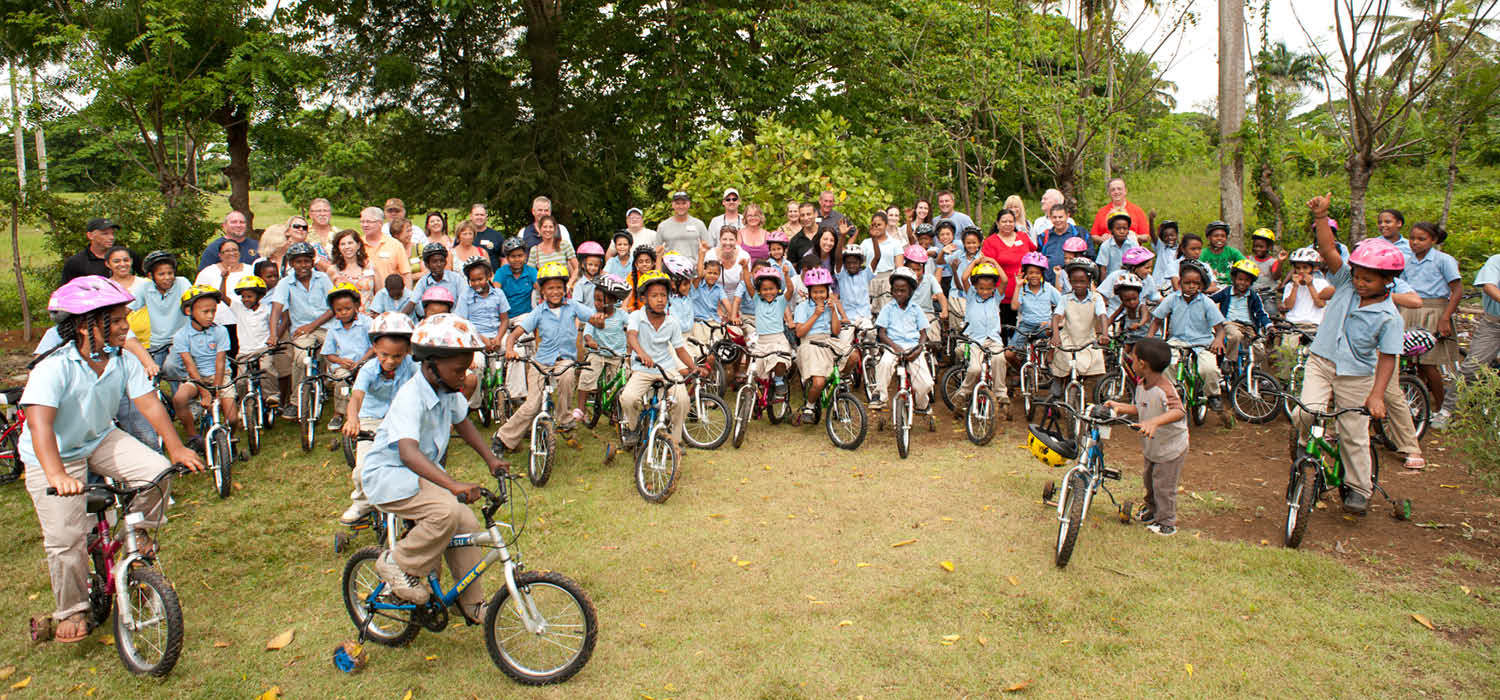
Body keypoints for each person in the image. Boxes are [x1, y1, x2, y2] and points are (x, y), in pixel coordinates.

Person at [21, 276, 203, 643]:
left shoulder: (121, 357)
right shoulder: (54, 366)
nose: (126, 326)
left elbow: (148, 402)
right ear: (89, 326)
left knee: (156, 472)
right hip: (52, 453)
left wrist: (176, 448)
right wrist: (56, 474)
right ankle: (72, 609)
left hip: (100, 438)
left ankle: (134, 536)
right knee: (65, 539)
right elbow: (39, 424)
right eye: (118, 320)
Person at [363, 313, 509, 621]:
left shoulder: (447, 390)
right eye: (458, 370)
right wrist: (452, 485)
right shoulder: (410, 395)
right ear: (431, 365)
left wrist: (491, 458)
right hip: (390, 476)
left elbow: (464, 423)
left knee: (466, 521)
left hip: (419, 475)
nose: (464, 376)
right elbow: (407, 453)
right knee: (444, 510)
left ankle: (471, 604)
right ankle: (398, 562)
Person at [1292, 193, 1405, 514]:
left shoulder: (1389, 317)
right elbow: (1327, 250)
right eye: (1357, 275)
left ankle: (1358, 488)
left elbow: (1387, 358)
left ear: (1388, 281)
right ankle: (1304, 447)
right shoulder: (1344, 282)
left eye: (1368, 279)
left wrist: (1378, 396)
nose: (1359, 282)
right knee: (1306, 412)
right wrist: (1321, 217)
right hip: (1322, 362)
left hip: (1357, 376)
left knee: (1353, 433)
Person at [1104, 337, 1188, 536]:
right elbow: (1142, 408)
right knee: (1150, 481)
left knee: (1164, 486)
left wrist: (1154, 422)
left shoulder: (1164, 389)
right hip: (1154, 447)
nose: (1130, 362)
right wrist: (1121, 407)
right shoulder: (1143, 384)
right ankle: (1152, 511)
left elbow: (1179, 411)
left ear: (1142, 364)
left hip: (1171, 448)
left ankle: (1167, 523)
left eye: (1132, 359)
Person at [339, 312, 416, 525]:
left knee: (409, 465)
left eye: (397, 356)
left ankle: (409, 503)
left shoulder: (412, 366)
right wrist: (353, 419)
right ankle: (362, 502)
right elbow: (356, 397)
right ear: (374, 348)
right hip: (371, 420)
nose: (390, 361)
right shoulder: (369, 369)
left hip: (401, 419)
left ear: (407, 351)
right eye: (384, 355)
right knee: (363, 469)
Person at [621, 271, 703, 446]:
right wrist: (642, 354)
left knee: (682, 400)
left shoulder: (672, 322)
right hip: (642, 369)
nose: (660, 300)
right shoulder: (636, 316)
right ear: (644, 298)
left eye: (663, 295)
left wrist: (693, 366)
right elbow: (632, 336)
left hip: (667, 369)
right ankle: (632, 428)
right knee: (628, 398)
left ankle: (675, 440)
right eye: (654, 296)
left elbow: (680, 349)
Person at [1400, 221, 1463, 430]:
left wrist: (1445, 318)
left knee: (1429, 362)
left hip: (1435, 310)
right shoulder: (1407, 261)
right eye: (1412, 238)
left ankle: (1442, 409)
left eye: (1421, 239)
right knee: (1412, 362)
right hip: (1410, 309)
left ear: (1433, 240)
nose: (1415, 243)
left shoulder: (1443, 260)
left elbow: (1457, 290)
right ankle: (1419, 403)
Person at [267, 242, 336, 419]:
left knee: (334, 360)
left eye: (306, 261)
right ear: (291, 263)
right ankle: (295, 401)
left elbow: (332, 308)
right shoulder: (285, 283)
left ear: (312, 262)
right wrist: (273, 334)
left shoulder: (322, 279)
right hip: (302, 331)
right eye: (298, 262)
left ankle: (338, 398)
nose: (303, 265)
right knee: (300, 358)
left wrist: (312, 326)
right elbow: (276, 309)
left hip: (326, 327)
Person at [1150, 259, 1227, 412]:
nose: (1191, 286)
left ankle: (1213, 396)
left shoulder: (1207, 302)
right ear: (1180, 283)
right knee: (1167, 365)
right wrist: (1151, 337)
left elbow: (1220, 328)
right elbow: (1157, 319)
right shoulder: (1172, 299)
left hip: (1202, 343)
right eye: (1187, 283)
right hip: (1177, 342)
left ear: (1201, 285)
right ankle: (1171, 393)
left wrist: (1218, 340)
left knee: (1208, 368)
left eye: (1196, 283)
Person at [169, 284, 239, 450]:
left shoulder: (220, 331)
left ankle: (230, 440)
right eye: (205, 312)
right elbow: (189, 365)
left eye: (213, 311)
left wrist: (216, 388)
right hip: (195, 377)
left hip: (220, 375)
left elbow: (220, 361)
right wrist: (204, 392)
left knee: (233, 417)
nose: (210, 316)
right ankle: (193, 437)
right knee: (179, 398)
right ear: (188, 312)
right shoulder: (181, 336)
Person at [871, 267, 934, 414]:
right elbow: (882, 333)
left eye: (903, 290)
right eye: (896, 290)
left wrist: (919, 349)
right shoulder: (888, 308)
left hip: (913, 347)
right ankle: (880, 395)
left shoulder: (916, 309)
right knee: (884, 364)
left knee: (926, 383)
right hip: (892, 347)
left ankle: (922, 404)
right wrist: (895, 347)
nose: (899, 293)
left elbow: (923, 333)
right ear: (891, 290)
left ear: (911, 291)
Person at [793, 267, 847, 421]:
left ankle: (837, 384)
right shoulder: (802, 307)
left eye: (822, 292)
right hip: (810, 342)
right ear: (809, 292)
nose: (819, 295)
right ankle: (809, 406)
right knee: (819, 381)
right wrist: (816, 314)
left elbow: (836, 331)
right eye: (815, 292)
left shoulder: (830, 305)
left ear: (827, 291)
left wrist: (834, 311)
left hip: (828, 340)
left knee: (854, 356)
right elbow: (799, 333)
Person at [954, 262, 1009, 413]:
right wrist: (975, 262)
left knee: (1000, 359)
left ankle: (1000, 393)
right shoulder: (971, 295)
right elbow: (965, 277)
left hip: (993, 339)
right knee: (974, 369)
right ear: (975, 287)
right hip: (975, 340)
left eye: (989, 288)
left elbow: (1004, 280)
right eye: (981, 288)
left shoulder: (996, 297)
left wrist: (994, 262)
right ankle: (963, 393)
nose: (985, 292)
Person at [1049, 260, 1108, 396]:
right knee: (1062, 361)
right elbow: (1056, 316)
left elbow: (1102, 316)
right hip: (1069, 338)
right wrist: (1056, 335)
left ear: (1089, 281)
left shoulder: (1096, 298)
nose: (1078, 285)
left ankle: (1100, 394)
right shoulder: (1065, 298)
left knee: (1096, 363)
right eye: (1074, 281)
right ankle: (1058, 380)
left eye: (1082, 281)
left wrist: (1104, 334)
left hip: (1088, 339)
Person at [322, 284, 374, 431]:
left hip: (365, 362)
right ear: (334, 311)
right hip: (343, 366)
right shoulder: (334, 328)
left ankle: (367, 413)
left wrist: (361, 361)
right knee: (342, 381)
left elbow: (375, 346)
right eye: (339, 310)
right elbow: (328, 353)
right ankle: (339, 413)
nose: (344, 312)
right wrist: (341, 361)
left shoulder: (366, 323)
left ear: (356, 306)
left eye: (348, 308)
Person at [577, 275, 631, 415]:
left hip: (617, 355)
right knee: (586, 378)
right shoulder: (594, 315)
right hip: (598, 353)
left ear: (613, 300)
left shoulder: (621, 315)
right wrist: (590, 341)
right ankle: (581, 410)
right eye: (595, 299)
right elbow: (588, 332)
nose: (596, 303)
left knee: (623, 382)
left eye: (600, 300)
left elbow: (633, 326)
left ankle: (617, 412)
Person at [131, 250, 192, 370]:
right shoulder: (144, 287)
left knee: (172, 368)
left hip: (181, 339)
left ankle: (182, 387)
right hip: (157, 342)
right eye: (161, 274)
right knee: (153, 373)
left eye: (170, 273)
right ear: (150, 276)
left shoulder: (182, 282)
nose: (167, 278)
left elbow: (191, 303)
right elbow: (126, 308)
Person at [193, 237, 253, 357]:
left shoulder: (250, 270)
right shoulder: (208, 272)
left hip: (245, 323)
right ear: (220, 255)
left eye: (235, 250)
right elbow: (197, 296)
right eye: (227, 251)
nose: (232, 253)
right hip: (219, 323)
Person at [977, 210, 1034, 336]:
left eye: (1010, 221)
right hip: (1002, 295)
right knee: (1003, 330)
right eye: (1004, 221)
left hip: (1025, 292)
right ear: (997, 223)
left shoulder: (1023, 237)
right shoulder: (990, 242)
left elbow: (1034, 257)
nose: (1007, 224)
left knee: (1024, 331)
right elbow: (986, 268)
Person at [742, 265, 795, 400]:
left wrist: (787, 275)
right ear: (759, 291)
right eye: (764, 289)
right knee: (754, 372)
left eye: (771, 289)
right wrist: (744, 268)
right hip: (761, 341)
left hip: (778, 340)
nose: (768, 292)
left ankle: (778, 380)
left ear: (777, 288)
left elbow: (790, 290)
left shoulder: (781, 301)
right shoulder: (757, 301)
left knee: (780, 362)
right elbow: (748, 285)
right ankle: (755, 397)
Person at [231, 275, 279, 409]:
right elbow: (223, 297)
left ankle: (272, 395)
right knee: (240, 381)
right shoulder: (239, 309)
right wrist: (223, 278)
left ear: (259, 296)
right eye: (243, 297)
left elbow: (273, 325)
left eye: (249, 296)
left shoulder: (266, 310)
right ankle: (243, 404)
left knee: (267, 369)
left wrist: (273, 338)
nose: (245, 300)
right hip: (245, 351)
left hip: (263, 348)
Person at [1211, 260, 1272, 366]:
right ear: (1234, 279)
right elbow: (1210, 301)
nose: (1243, 283)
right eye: (1240, 279)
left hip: (1248, 326)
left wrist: (1269, 325)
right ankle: (1228, 361)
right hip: (1230, 323)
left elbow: (1261, 313)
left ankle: (1253, 371)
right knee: (1235, 336)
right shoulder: (1226, 292)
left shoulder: (1253, 296)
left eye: (1247, 280)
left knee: (1259, 349)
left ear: (1251, 282)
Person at [1456, 251, 1500, 391]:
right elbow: (1488, 286)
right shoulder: (1496, 261)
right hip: (1494, 324)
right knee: (1471, 367)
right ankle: (1448, 410)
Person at [1279, 247, 1335, 334]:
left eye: (1305, 268)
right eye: (1298, 268)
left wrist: (1310, 285)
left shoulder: (1321, 283)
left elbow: (1320, 304)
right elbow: (1288, 306)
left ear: (1312, 268)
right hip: (1293, 324)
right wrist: (1295, 286)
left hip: (1314, 325)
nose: (1301, 271)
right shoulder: (1290, 285)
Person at [1034, 203, 1091, 286]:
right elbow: (1038, 259)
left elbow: (1090, 256)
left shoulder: (1080, 233)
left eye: (1060, 217)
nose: (1057, 220)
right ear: (1050, 218)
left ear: (1067, 216)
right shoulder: (1043, 236)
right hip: (1049, 284)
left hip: (1074, 284)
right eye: (1054, 217)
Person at [104, 247, 150, 347]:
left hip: (150, 344)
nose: (122, 264)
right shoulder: (104, 287)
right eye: (116, 261)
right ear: (107, 264)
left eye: (126, 260)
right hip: (119, 344)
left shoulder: (146, 284)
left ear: (132, 261)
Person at [861, 212, 905, 316]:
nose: (876, 227)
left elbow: (900, 268)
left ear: (885, 225)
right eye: (874, 225)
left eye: (879, 224)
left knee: (887, 312)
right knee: (869, 313)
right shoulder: (866, 243)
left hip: (888, 280)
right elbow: (858, 262)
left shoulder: (895, 243)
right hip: (869, 280)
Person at [406, 243, 464, 319]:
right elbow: (412, 302)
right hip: (430, 321)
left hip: (453, 319)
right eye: (434, 261)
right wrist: (400, 317)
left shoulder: (456, 279)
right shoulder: (423, 282)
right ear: (427, 264)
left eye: (442, 261)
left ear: (445, 262)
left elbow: (464, 301)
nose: (439, 264)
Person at [1088, 177, 1149, 244]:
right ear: (1109, 193)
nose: (1116, 192)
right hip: (1108, 250)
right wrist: (1101, 239)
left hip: (1132, 251)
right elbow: (1093, 235)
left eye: (1119, 189)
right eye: (1113, 190)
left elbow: (1146, 236)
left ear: (1125, 191)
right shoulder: (1102, 212)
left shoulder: (1137, 210)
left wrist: (1134, 237)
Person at [61, 218, 123, 282]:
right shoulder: (76, 262)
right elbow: (68, 290)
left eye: (112, 233)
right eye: (105, 234)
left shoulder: (123, 258)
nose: (111, 237)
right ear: (90, 235)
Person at [359, 206, 409, 286]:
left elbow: (406, 274)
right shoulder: (357, 244)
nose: (365, 225)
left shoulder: (395, 245)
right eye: (362, 221)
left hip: (390, 295)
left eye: (369, 222)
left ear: (380, 223)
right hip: (364, 296)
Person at [526, 215, 578, 288]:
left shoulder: (564, 245)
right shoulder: (535, 250)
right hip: (543, 294)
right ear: (539, 229)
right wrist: (540, 289)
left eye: (550, 227)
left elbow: (577, 268)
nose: (548, 229)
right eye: (545, 227)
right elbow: (530, 273)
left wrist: (569, 284)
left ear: (555, 229)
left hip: (563, 291)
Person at [329, 228, 376, 310]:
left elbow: (379, 293)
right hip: (344, 319)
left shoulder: (370, 266)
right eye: (343, 244)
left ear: (358, 245)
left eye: (350, 243)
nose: (347, 247)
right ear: (338, 248)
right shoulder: (332, 270)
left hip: (369, 318)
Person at [496, 238, 538, 318]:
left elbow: (541, 289)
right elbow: (495, 293)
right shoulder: (501, 272)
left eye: (520, 256)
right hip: (504, 317)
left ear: (525, 256)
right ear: (507, 258)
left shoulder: (531, 271)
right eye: (513, 256)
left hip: (525, 316)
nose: (517, 259)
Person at [1199, 221, 1245, 288]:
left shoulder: (1233, 252)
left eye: (1223, 236)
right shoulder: (1202, 253)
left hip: (1231, 287)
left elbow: (1245, 265)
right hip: (1210, 287)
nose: (1219, 238)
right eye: (1216, 236)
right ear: (1209, 238)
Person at [1094, 212, 1138, 277]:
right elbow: (1103, 268)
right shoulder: (1106, 246)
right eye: (1118, 228)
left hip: (1130, 279)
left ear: (1128, 230)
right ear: (1111, 230)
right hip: (1111, 280)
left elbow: (1137, 264)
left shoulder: (1133, 244)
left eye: (1125, 228)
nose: (1122, 231)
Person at [469, 203, 507, 269]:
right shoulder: (464, 235)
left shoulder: (496, 236)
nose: (479, 217)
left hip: (493, 277)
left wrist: (500, 276)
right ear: (471, 216)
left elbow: (504, 258)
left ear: (486, 217)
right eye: (476, 215)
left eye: (482, 215)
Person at [1246, 228, 1281, 295]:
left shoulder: (1273, 262)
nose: (1257, 249)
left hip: (1267, 294)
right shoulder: (1248, 259)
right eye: (1255, 246)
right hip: (1251, 294)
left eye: (1261, 247)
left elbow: (1276, 277)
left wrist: (1280, 262)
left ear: (1269, 247)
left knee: (1269, 305)